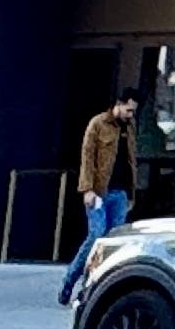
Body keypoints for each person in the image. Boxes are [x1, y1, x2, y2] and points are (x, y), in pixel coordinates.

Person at [59, 91, 139, 308]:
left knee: (113, 242)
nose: (130, 115)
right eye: (128, 110)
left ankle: (90, 288)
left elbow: (132, 161)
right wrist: (87, 189)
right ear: (119, 105)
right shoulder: (98, 124)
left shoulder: (129, 128)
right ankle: (70, 279)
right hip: (99, 192)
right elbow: (87, 157)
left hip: (120, 193)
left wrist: (131, 194)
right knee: (96, 235)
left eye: (133, 111)